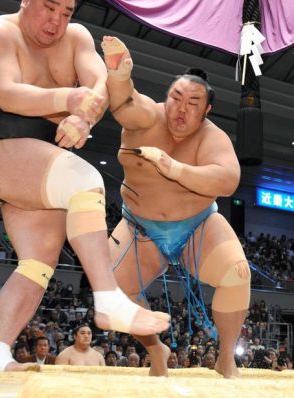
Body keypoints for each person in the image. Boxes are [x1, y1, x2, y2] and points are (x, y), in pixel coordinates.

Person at [0, 0, 169, 372]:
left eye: (66, 12)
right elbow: (5, 91)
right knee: (85, 180)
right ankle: (108, 297)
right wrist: (67, 101)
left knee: (37, 265)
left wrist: (85, 116)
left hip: (41, 163)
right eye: (49, 7)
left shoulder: (76, 38)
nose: (56, 20)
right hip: (1, 146)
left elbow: (98, 84)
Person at [101, 36, 251, 379]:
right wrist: (120, 76)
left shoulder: (213, 138)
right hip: (139, 226)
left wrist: (173, 168)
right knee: (110, 291)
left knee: (237, 274)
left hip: (197, 224)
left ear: (207, 109)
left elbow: (227, 180)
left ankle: (226, 357)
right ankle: (157, 349)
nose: (181, 109)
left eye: (193, 103)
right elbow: (125, 105)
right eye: (175, 98)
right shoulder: (146, 117)